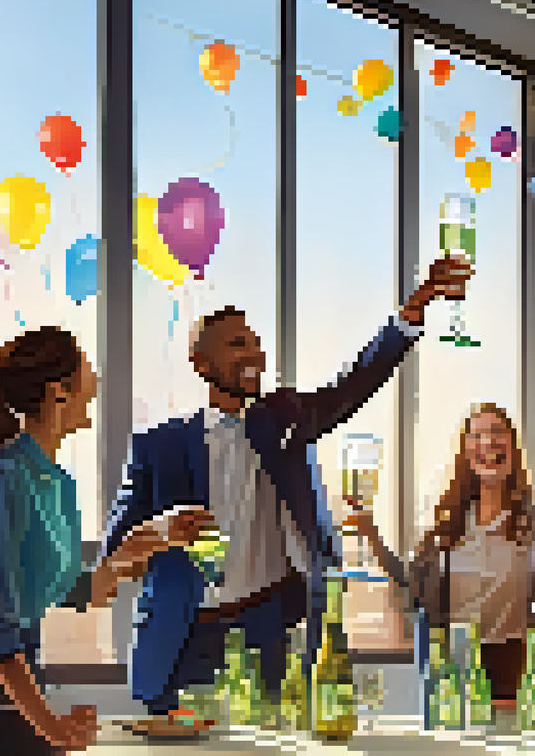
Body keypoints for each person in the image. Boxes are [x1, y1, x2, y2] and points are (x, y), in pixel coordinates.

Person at [101, 256, 471, 720]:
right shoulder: (159, 447)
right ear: (201, 362)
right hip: (185, 638)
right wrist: (162, 530)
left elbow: (355, 384)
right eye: (238, 345)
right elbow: (113, 554)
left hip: (270, 628)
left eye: (256, 345)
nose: (254, 355)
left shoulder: (286, 418)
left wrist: (412, 312)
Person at [0, 327, 202, 754]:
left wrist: (154, 539)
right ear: (59, 392)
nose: (96, 375)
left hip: (5, 682)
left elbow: (75, 589)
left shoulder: (54, 484)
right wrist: (50, 725)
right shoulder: (3, 477)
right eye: (86, 366)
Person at [344, 403, 535, 700]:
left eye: (497, 432)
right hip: (451, 662)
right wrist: (372, 535)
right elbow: (412, 585)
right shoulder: (447, 523)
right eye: (477, 435)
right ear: (465, 452)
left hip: (511, 663)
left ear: (512, 448)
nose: (487, 442)